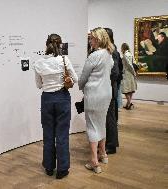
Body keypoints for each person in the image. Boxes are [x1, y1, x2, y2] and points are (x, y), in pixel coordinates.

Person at [33, 34, 78, 179]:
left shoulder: (38, 62)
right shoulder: (63, 60)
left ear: (46, 44)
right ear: (60, 45)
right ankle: (62, 169)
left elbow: (39, 85)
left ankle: (49, 167)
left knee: (48, 134)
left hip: (46, 99)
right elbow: (75, 79)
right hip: (62, 98)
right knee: (62, 135)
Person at [78, 27, 114, 173]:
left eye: (91, 38)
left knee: (92, 126)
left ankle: (94, 161)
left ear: (97, 39)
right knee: (101, 124)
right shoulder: (108, 54)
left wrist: (81, 87)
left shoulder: (94, 55)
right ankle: (103, 154)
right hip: (106, 94)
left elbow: (84, 77)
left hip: (94, 94)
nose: (90, 40)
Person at [104, 28, 121, 154]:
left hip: (109, 89)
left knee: (110, 117)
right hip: (110, 88)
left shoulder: (112, 51)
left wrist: (105, 84)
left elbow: (115, 72)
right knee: (110, 116)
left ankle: (111, 145)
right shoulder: (111, 50)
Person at [121, 43, 137, 110]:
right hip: (130, 74)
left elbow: (129, 65)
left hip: (127, 74)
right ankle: (128, 103)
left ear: (123, 48)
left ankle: (129, 103)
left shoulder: (125, 55)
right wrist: (134, 73)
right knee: (130, 89)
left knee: (126, 90)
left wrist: (134, 72)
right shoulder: (130, 54)